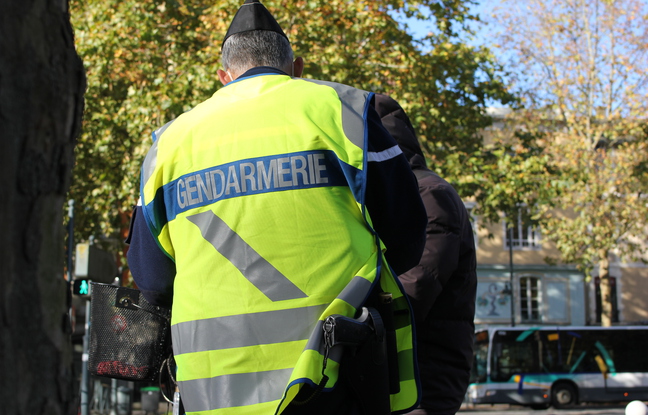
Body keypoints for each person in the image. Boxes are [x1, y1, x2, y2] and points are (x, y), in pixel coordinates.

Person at [125, 1, 427, 414]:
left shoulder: (169, 145)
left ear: (223, 77)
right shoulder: (345, 112)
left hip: (210, 397)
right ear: (296, 68)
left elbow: (153, 281)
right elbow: (406, 240)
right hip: (330, 379)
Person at [373, 94, 477, 415]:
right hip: (404, 374)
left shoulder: (428, 193)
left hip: (423, 379)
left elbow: (414, 288)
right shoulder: (403, 193)